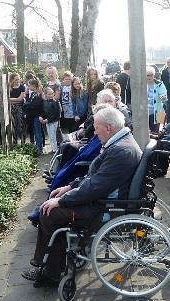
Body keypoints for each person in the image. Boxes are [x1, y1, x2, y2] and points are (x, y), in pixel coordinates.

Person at [22, 107, 142, 287]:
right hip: (102, 200)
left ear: (108, 128)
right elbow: (95, 179)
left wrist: (62, 200)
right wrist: (69, 187)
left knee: (49, 213)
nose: (94, 131)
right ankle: (52, 266)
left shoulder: (120, 151)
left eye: (96, 127)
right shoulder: (121, 143)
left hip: (104, 207)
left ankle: (49, 270)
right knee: (52, 208)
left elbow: (95, 187)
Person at [23, 79, 45, 152]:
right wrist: (27, 105)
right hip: (32, 115)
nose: (28, 87)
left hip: (37, 116)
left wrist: (28, 105)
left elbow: (35, 106)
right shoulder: (32, 94)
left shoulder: (39, 94)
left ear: (33, 85)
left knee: (38, 132)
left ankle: (39, 149)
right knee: (35, 132)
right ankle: (36, 147)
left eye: (29, 85)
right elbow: (27, 103)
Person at [40, 87, 61, 153]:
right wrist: (41, 117)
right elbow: (43, 111)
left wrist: (48, 120)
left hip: (54, 121)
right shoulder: (45, 102)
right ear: (45, 95)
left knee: (53, 135)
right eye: (49, 94)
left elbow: (56, 114)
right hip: (47, 121)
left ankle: (55, 150)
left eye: (52, 94)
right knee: (50, 135)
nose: (51, 95)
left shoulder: (56, 102)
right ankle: (53, 148)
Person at [146, 66, 167, 133]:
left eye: (151, 75)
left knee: (156, 132)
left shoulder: (160, 84)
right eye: (147, 75)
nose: (149, 77)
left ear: (154, 75)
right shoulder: (141, 84)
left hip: (158, 112)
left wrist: (163, 97)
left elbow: (163, 95)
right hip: (145, 113)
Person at [8, 73, 26, 145]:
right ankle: (15, 144)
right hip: (11, 108)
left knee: (20, 126)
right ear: (12, 80)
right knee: (13, 126)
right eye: (16, 79)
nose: (18, 81)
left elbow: (20, 99)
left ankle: (23, 143)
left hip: (20, 108)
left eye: (18, 79)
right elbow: (6, 98)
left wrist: (11, 99)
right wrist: (15, 99)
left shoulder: (21, 87)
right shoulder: (9, 87)